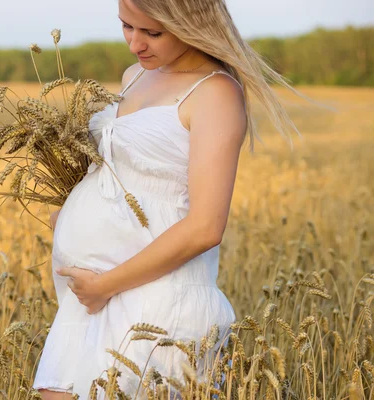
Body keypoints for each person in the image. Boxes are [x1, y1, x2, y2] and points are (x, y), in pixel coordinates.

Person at [32, 0, 300, 398]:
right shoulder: (135, 75)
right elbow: (121, 171)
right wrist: (71, 210)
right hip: (89, 299)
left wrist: (106, 285)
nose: (135, 44)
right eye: (126, 26)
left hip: (155, 301)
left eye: (152, 33)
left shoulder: (215, 94)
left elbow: (206, 227)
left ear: (191, 23)